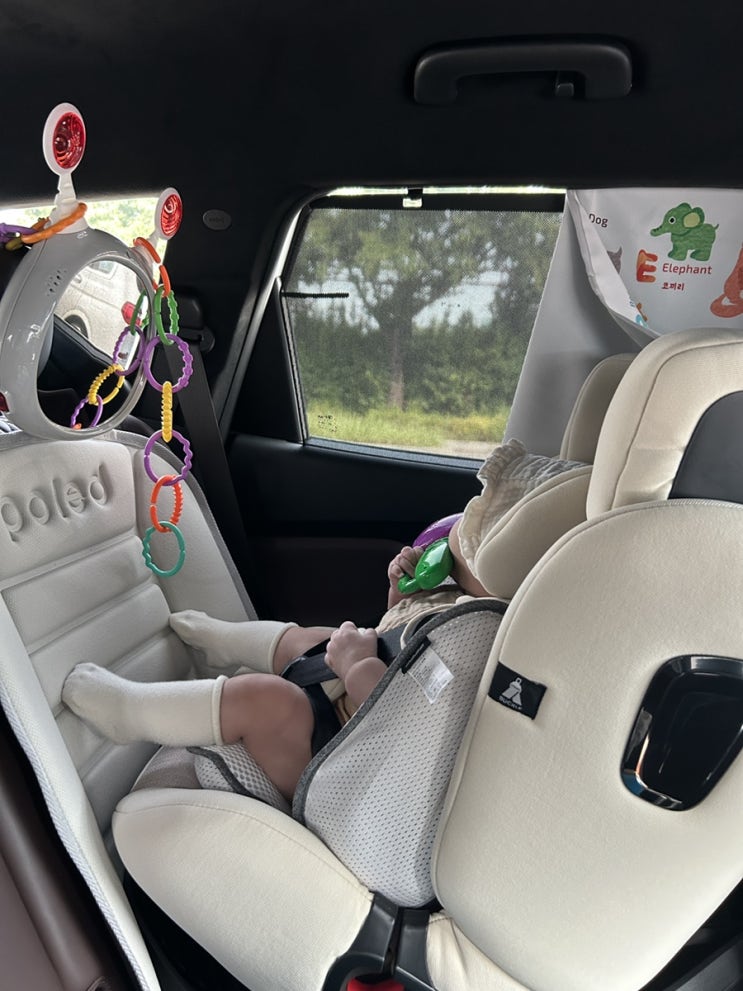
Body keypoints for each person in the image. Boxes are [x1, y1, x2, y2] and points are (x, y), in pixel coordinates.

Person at [63, 517, 491, 803]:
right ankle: (224, 642)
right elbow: (406, 642)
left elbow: (412, 722)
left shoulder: (497, 642)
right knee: (318, 638)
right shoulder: (473, 609)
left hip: (343, 769)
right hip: (353, 707)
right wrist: (406, 599)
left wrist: (358, 667)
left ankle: (129, 714)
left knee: (267, 698)